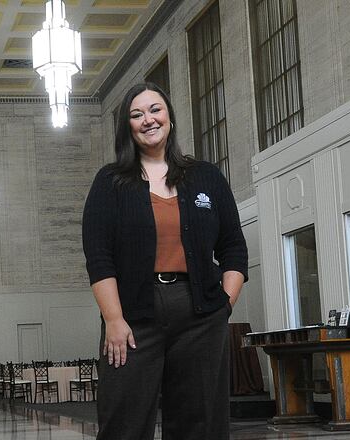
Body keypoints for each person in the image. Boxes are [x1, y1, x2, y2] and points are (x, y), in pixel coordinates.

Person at [82, 82, 247, 440]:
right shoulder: (110, 182)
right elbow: (99, 257)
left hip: (201, 314)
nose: (148, 119)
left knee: (201, 424)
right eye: (136, 114)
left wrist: (225, 305)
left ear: (169, 116)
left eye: (155, 109)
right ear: (127, 126)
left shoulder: (206, 177)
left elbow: (234, 247)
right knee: (123, 423)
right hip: (132, 317)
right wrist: (113, 319)